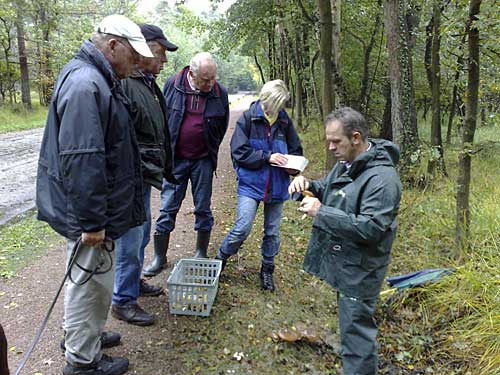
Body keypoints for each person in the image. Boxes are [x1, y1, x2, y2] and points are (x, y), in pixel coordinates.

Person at [36, 14, 153, 375]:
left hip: (95, 209)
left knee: (91, 282)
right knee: (89, 282)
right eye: (134, 56)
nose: (137, 64)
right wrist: (92, 222)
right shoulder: (87, 84)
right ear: (113, 45)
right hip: (88, 213)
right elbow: (83, 158)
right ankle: (83, 360)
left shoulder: (99, 78)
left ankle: (84, 335)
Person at [288, 107, 402, 375]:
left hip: (362, 269)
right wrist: (306, 186)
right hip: (346, 262)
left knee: (357, 336)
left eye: (336, 141)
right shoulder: (347, 163)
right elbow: (327, 189)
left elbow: (371, 228)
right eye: (329, 140)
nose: (330, 147)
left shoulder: (382, 180)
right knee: (350, 328)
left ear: (356, 137)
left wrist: (320, 211)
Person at [111, 24, 178, 326]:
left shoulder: (147, 84)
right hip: (130, 180)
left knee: (141, 234)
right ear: (145, 48)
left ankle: (133, 284)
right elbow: (120, 138)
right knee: (129, 240)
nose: (164, 61)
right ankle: (122, 301)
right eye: (161, 53)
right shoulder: (125, 84)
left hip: (145, 178)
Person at [143, 52, 229, 277]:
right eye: (205, 79)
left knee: (203, 207)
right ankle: (159, 257)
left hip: (202, 161)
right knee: (167, 208)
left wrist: (209, 150)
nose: (210, 83)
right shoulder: (173, 84)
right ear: (192, 74)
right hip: (175, 161)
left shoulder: (220, 93)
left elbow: (221, 128)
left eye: (213, 78)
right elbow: (161, 116)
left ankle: (201, 253)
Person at [215, 80, 303, 291]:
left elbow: (296, 151)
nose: (279, 109)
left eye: (281, 105)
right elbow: (239, 152)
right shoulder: (248, 118)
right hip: (251, 184)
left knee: (272, 232)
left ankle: (267, 269)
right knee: (242, 228)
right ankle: (220, 259)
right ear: (266, 100)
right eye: (276, 104)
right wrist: (267, 157)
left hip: (278, 185)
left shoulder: (284, 121)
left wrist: (294, 166)